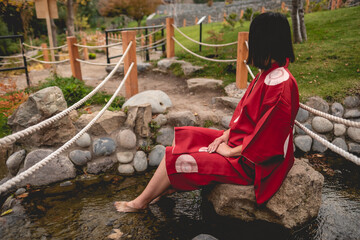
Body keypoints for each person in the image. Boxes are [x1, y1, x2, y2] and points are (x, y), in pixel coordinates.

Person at [115, 12, 299, 212]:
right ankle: (164, 188)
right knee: (186, 136)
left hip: (251, 164)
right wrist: (225, 136)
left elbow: (268, 139)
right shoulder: (267, 74)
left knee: (179, 158)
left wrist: (229, 151)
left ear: (265, 42)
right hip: (242, 143)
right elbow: (249, 121)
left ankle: (140, 202)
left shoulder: (280, 83)